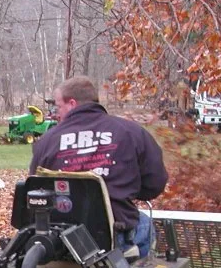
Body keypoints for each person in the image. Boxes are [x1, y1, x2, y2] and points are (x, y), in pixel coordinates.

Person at [29, 76, 168, 258]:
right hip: (114, 236)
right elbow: (155, 183)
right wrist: (125, 191)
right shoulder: (131, 132)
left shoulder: (48, 141)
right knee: (144, 223)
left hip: (59, 239)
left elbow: (34, 189)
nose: (56, 114)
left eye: (58, 107)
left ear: (72, 104)